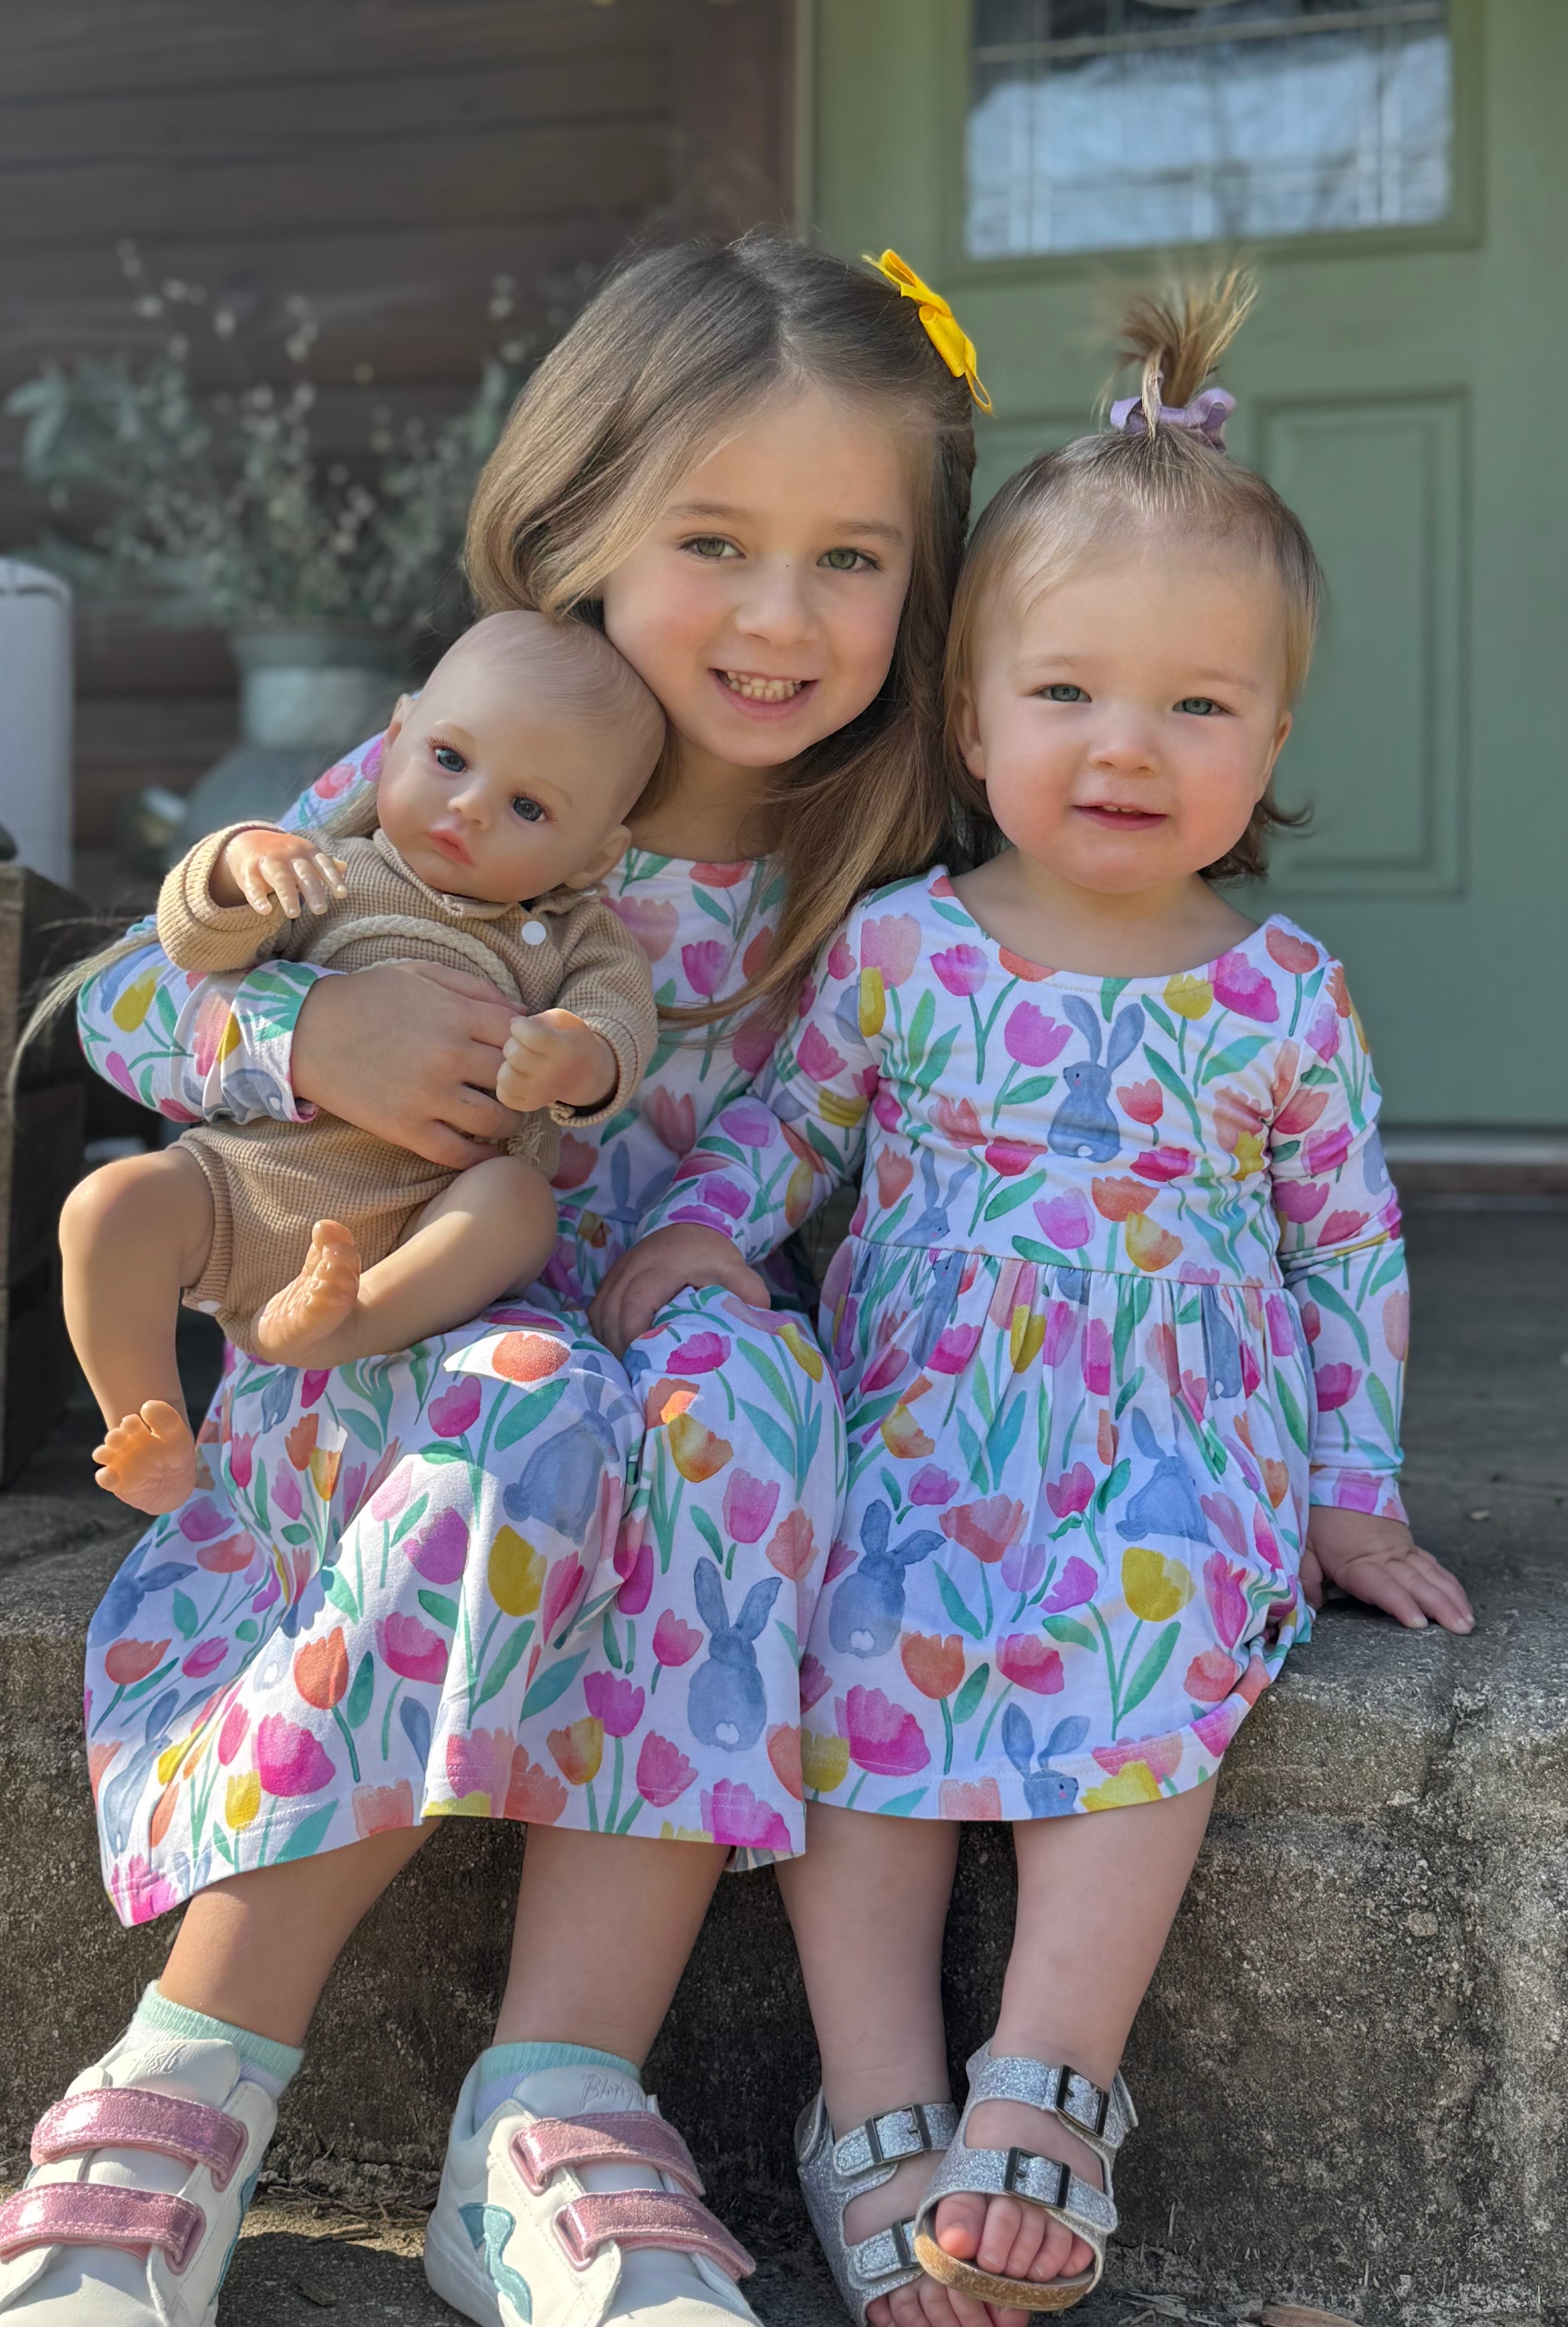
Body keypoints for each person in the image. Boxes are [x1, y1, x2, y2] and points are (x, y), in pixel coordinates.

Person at [0, 237, 977, 2327]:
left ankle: (555, 2114)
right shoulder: (441, 764)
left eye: (848, 558)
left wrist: (715, 1256)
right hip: (390, 1310)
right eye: (713, 539)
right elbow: (130, 1009)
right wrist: (295, 1047)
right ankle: (198, 2060)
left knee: (738, 1393)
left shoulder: (872, 879)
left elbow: (811, 1145)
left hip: (660, 1334)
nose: (780, 616)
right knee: (509, 1378)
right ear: (572, 521)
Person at [590, 278, 1476, 2327]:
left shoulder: (1274, 995)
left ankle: (1042, 2080)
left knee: (1150, 1660)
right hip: (921, 1435)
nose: (1124, 747)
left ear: (1268, 742)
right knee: (843, 1657)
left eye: (1196, 706)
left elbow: (1347, 1250)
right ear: (972, 724)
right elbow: (789, 1137)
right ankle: (871, 2084)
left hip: (1177, 1449)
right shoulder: (905, 950)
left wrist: (1351, 1490)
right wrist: (705, 1236)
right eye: (1066, 694)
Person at [58, 613, 661, 1513]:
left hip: (421, 1226)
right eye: (451, 759)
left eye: (529, 808)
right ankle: (146, 1418)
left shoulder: (577, 934)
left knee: (518, 1204)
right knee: (107, 1206)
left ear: (598, 855)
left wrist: (574, 1058)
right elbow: (189, 946)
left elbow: (622, 1027)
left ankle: (350, 1321)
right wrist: (234, 862)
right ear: (395, 736)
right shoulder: (331, 867)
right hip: (247, 1188)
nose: (469, 808)